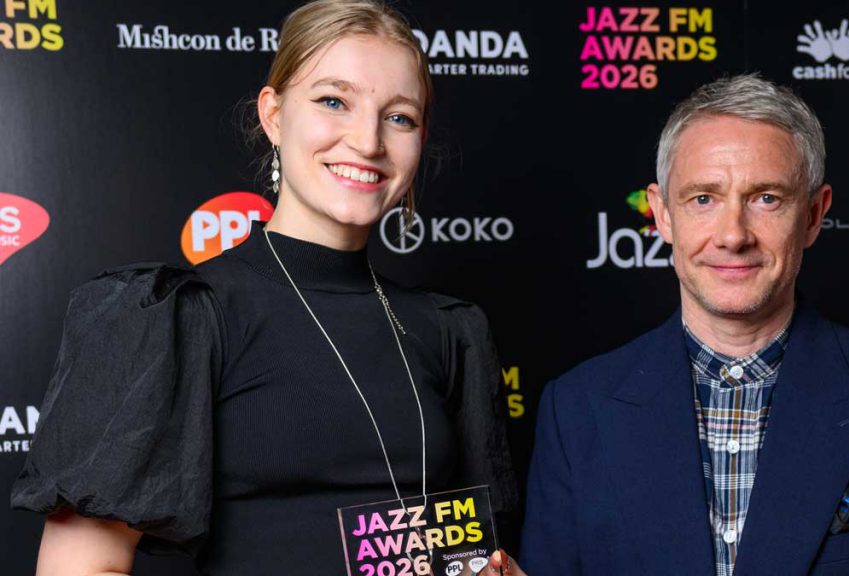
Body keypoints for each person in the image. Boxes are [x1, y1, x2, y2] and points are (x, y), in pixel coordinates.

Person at [11, 2, 523, 574]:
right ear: (274, 116)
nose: (368, 141)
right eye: (334, 101)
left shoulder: (449, 331)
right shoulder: (179, 317)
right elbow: (80, 566)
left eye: (399, 117)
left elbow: (471, 552)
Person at [518, 74, 849, 575]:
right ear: (662, 214)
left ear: (813, 215)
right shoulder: (576, 409)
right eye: (703, 198)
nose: (733, 236)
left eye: (766, 198)